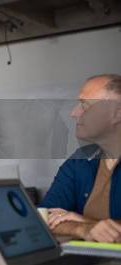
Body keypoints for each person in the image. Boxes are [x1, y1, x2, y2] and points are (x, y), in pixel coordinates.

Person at [40, 74, 121, 243]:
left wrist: (85, 221)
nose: (74, 113)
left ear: (116, 114)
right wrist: (83, 229)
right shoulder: (80, 160)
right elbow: (43, 216)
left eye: (85, 105)